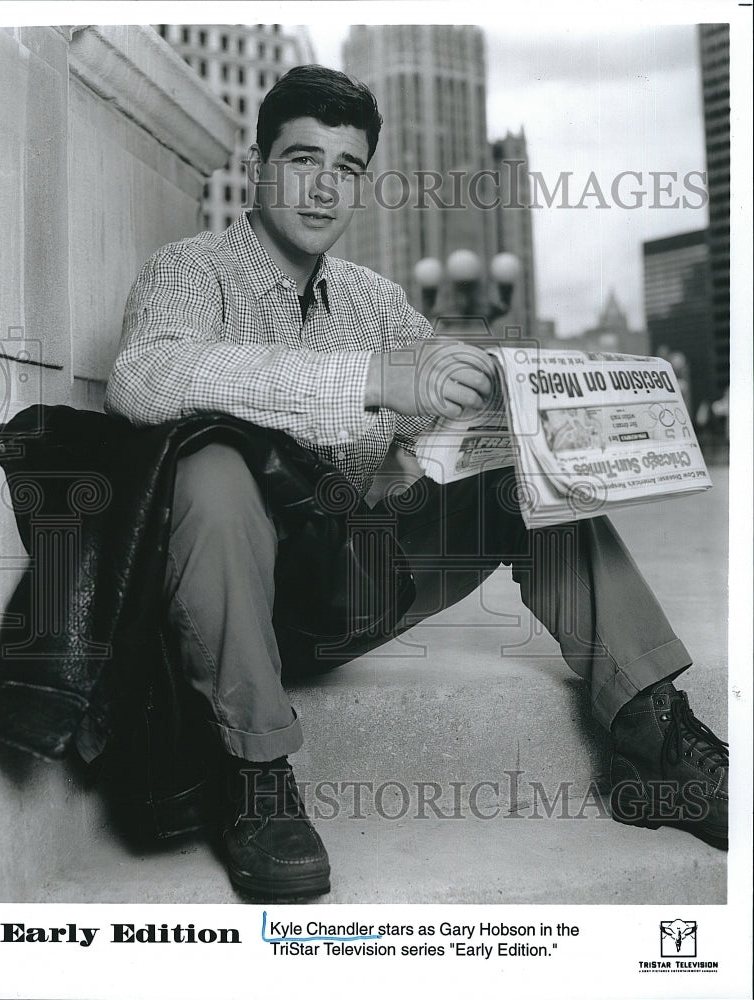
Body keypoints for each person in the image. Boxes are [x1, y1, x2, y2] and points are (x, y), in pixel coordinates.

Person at [104, 65, 728, 900]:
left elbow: (429, 428)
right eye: (302, 159)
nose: (324, 187)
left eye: (348, 168)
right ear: (258, 165)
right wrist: (372, 380)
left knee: (520, 476)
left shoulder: (377, 300)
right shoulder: (188, 271)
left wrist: (478, 425)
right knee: (209, 469)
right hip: (232, 612)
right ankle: (254, 778)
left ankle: (654, 735)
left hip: (354, 581)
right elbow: (146, 378)